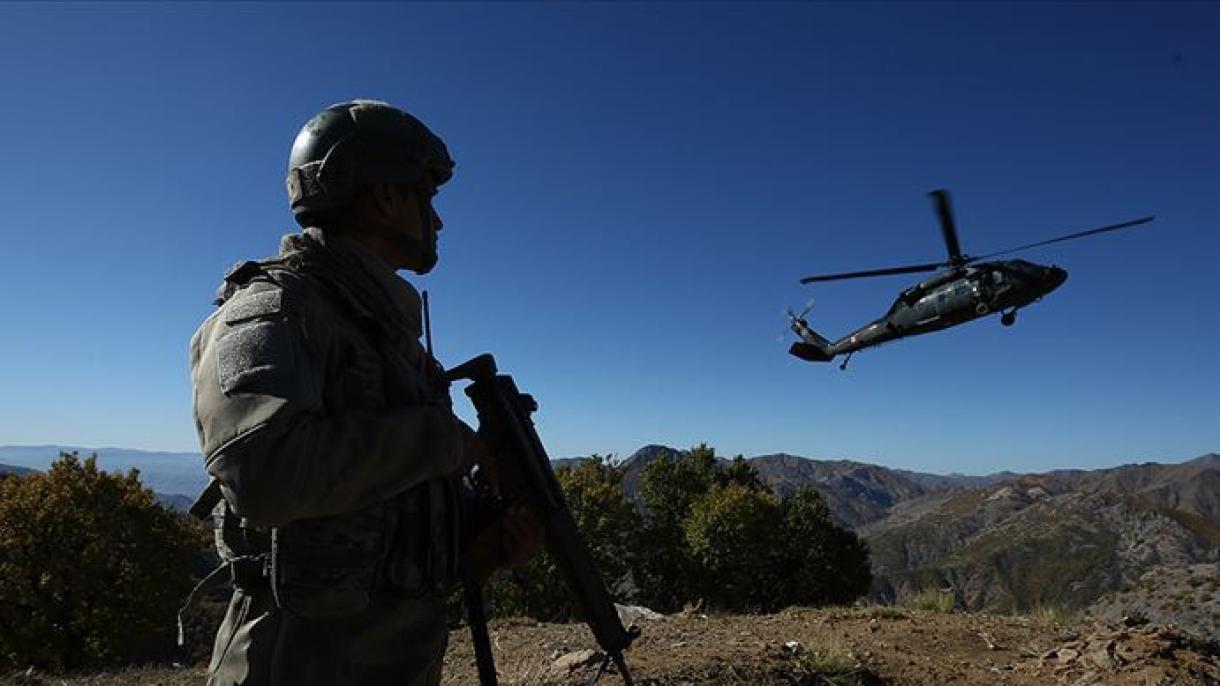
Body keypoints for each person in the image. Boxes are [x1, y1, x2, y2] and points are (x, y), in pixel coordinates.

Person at [188, 100, 542, 686]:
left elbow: (382, 519)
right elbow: (263, 473)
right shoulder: (274, 310)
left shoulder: (388, 337)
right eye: (426, 198)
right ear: (384, 195)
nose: (439, 221)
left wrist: (481, 544)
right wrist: (444, 440)